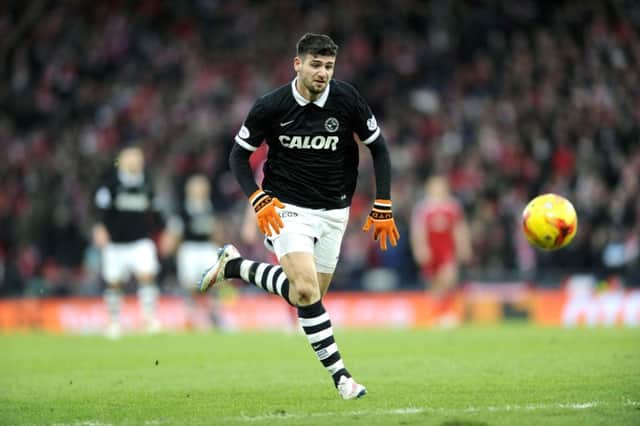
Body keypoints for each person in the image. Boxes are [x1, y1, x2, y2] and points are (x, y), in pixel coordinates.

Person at [200, 33, 399, 399]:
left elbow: (379, 149)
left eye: (329, 66)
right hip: (286, 206)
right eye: (316, 65)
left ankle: (234, 267)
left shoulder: (347, 99)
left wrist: (383, 201)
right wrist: (258, 199)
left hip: (334, 211)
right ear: (298, 64)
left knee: (303, 295)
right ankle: (343, 378)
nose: (323, 72)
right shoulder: (271, 106)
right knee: (307, 290)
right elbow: (236, 157)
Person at [93, 146, 163, 338]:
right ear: (122, 160)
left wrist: (164, 232)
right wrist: (99, 227)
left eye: (138, 158)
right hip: (115, 243)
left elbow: (156, 211)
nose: (135, 161)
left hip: (141, 240)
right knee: (114, 283)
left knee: (147, 276)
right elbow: (100, 209)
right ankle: (114, 322)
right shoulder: (111, 183)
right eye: (131, 157)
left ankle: (149, 319)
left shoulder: (147, 182)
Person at [160, 174, 224, 329]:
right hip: (189, 248)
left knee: (214, 281)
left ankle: (214, 314)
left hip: (207, 247)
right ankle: (191, 315)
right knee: (190, 284)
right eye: (196, 186)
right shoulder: (182, 209)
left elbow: (217, 230)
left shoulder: (211, 206)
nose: (199, 190)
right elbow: (175, 231)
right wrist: (171, 247)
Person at [410, 175, 472, 327]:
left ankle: (448, 312)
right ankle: (437, 314)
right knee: (434, 285)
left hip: (447, 249)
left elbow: (459, 228)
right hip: (431, 249)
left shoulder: (452, 206)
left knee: (449, 277)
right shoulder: (423, 207)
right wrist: (420, 248)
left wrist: (464, 247)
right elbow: (418, 230)